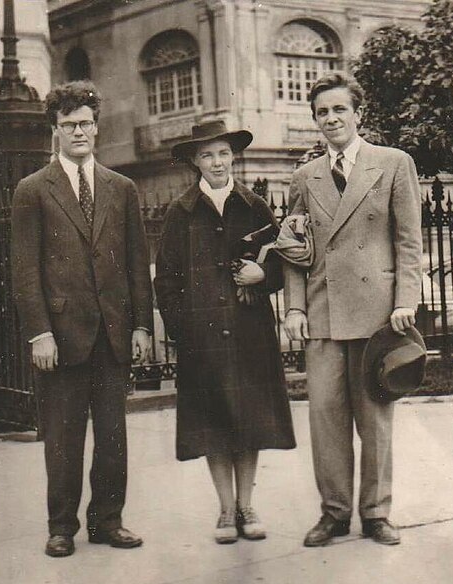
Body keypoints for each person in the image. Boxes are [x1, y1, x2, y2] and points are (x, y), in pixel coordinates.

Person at [11, 80, 153, 557]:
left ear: (97, 126)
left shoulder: (122, 187)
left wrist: (140, 325)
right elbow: (25, 269)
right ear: (55, 129)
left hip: (113, 333)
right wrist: (39, 333)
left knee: (113, 436)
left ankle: (109, 520)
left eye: (86, 123)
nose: (79, 132)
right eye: (69, 124)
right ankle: (61, 527)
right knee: (64, 439)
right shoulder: (32, 189)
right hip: (61, 336)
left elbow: (137, 262)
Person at [284, 74, 422, 547]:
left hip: (379, 316)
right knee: (326, 420)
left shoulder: (393, 163)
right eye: (322, 112)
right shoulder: (305, 176)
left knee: (375, 418)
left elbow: (408, 242)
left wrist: (406, 299)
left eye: (339, 109)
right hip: (323, 315)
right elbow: (295, 250)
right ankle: (335, 513)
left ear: (357, 112)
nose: (331, 119)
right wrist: (294, 308)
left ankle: (377, 513)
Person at [154, 120, 296, 544]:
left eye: (222, 153)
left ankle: (246, 505)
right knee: (214, 422)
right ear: (195, 162)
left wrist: (263, 276)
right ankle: (223, 509)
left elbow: (283, 260)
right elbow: (166, 279)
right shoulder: (180, 211)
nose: (216, 162)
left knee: (249, 420)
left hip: (250, 331)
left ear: (232, 156)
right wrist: (184, 331)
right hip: (204, 338)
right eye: (206, 155)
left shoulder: (254, 205)